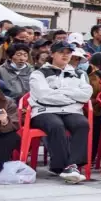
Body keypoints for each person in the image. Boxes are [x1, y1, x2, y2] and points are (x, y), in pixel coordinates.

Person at [27, 41, 93, 182]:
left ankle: (72, 165)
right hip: (44, 110)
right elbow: (43, 95)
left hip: (70, 111)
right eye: (61, 52)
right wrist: (71, 97)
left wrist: (60, 92)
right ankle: (61, 166)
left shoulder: (79, 73)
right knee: (56, 125)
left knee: (82, 124)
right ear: (52, 54)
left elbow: (86, 94)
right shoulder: (38, 73)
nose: (65, 55)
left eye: (68, 52)